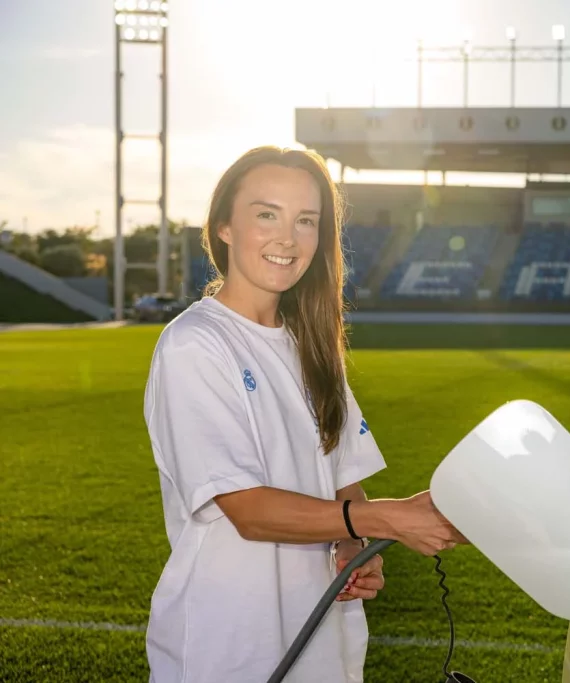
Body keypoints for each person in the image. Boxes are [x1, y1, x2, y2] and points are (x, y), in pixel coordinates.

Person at [142, 146, 467, 683]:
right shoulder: (194, 344)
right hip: (229, 646)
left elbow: (343, 479)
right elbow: (247, 510)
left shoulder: (312, 347)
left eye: (306, 220)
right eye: (266, 214)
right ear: (224, 226)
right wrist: (382, 519)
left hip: (322, 640)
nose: (287, 239)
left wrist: (353, 547)